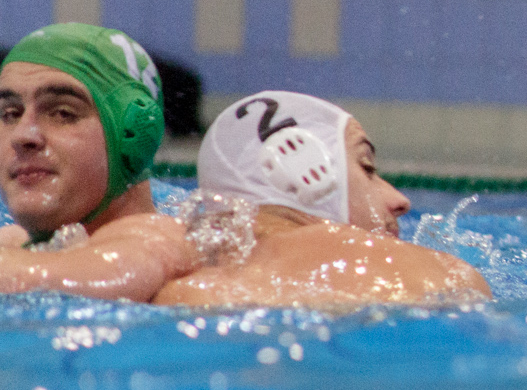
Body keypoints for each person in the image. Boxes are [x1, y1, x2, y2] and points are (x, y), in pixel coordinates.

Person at [155, 90, 491, 308]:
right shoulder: (443, 275)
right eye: (367, 167)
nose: (400, 200)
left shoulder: (185, 293)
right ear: (304, 168)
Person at [0, 23, 201, 299]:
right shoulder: (16, 242)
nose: (23, 135)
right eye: (10, 113)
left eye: (62, 113)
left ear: (134, 136)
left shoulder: (159, 244)